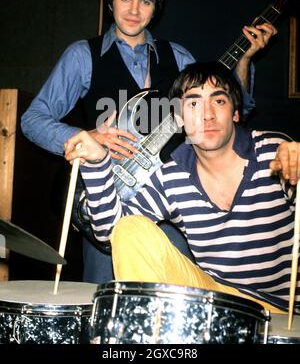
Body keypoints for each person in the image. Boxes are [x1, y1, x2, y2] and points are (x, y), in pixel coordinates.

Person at [21, 0, 277, 284]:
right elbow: (33, 120)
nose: (134, 9)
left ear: (155, 8)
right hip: (107, 198)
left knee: (182, 300)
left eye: (146, 0)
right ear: (110, 2)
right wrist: (88, 136)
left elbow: (222, 104)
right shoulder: (83, 55)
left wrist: (244, 61)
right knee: (109, 305)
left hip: (171, 205)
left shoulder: (179, 57)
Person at [65, 61, 300, 314]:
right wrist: (98, 164)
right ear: (179, 117)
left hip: (283, 312)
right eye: (194, 103)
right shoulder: (172, 175)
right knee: (130, 228)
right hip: (218, 302)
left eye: (218, 101)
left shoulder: (274, 153)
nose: (207, 114)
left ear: (235, 112)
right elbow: (110, 233)